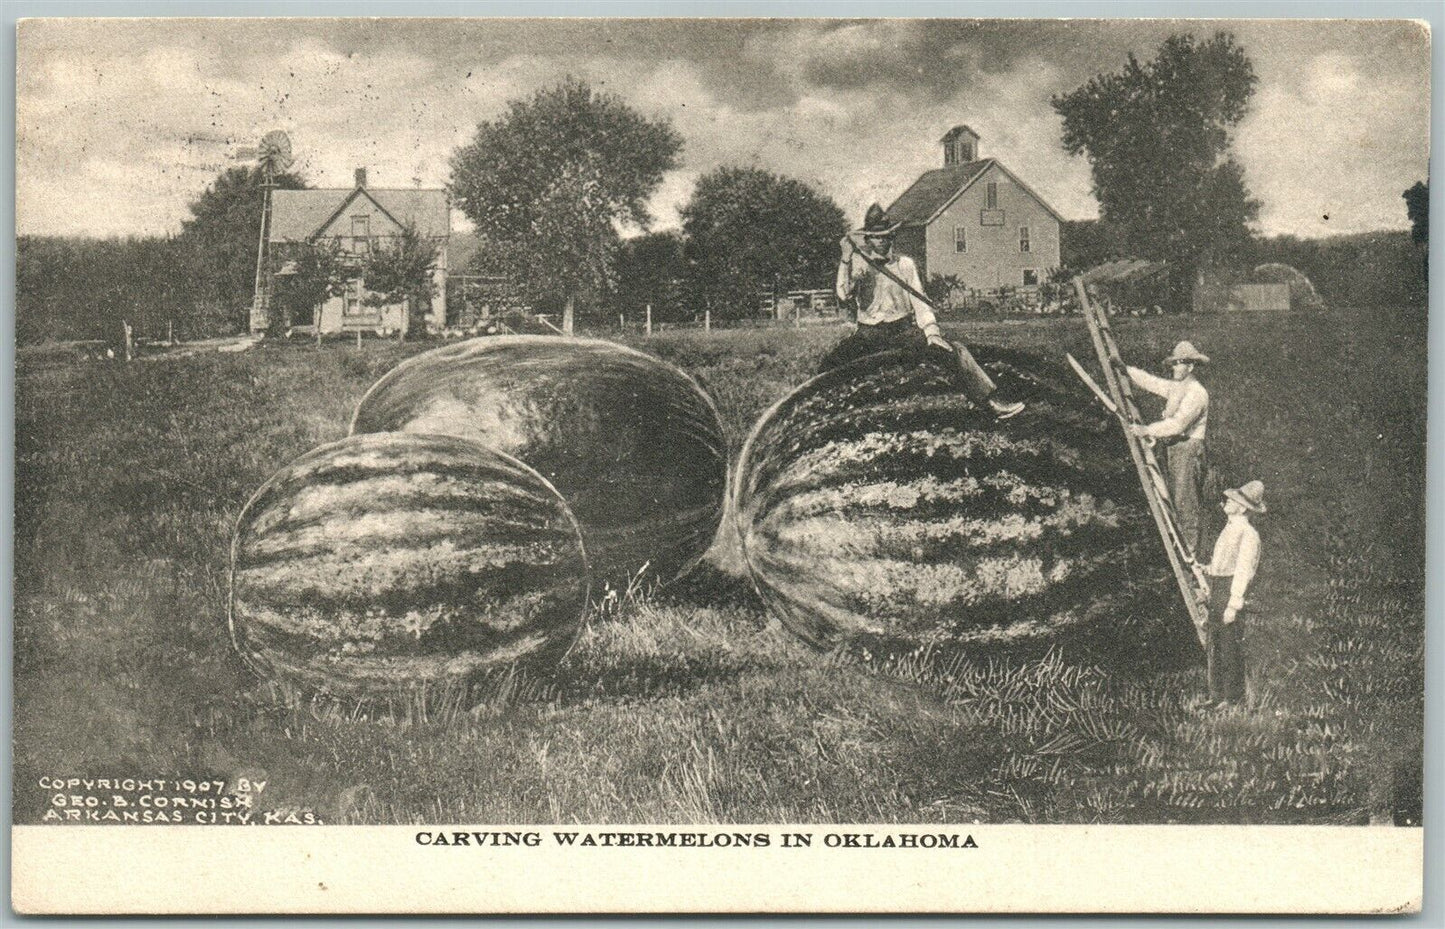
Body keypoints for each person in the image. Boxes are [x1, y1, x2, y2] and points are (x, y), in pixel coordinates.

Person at [825, 204, 1024, 419]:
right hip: (869, 333)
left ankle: (990, 403)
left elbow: (920, 303)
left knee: (954, 351)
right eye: (875, 237)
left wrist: (932, 333)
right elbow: (843, 295)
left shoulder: (905, 265)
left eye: (884, 236)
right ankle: (821, 412)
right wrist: (846, 259)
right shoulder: (859, 264)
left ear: (892, 237)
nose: (880, 241)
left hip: (901, 331)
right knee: (831, 363)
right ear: (867, 239)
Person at [1123, 341, 1210, 555]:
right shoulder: (1178, 387)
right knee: (1175, 496)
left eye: (1179, 363)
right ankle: (1183, 545)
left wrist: (1147, 430)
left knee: (1185, 499)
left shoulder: (1197, 393)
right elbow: (1153, 383)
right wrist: (1126, 370)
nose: (1175, 367)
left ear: (1190, 366)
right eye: (1174, 363)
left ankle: (1191, 550)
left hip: (1189, 449)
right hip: (1176, 448)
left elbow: (1178, 424)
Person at [1202, 480, 1264, 705]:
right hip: (1218, 587)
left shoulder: (1248, 534)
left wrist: (1233, 604)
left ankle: (1232, 698)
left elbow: (1243, 571)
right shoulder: (1229, 529)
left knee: (1230, 645)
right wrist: (1207, 569)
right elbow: (1222, 563)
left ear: (1242, 508)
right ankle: (1216, 696)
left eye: (1233, 500)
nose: (1227, 501)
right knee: (1215, 643)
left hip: (1230, 590)